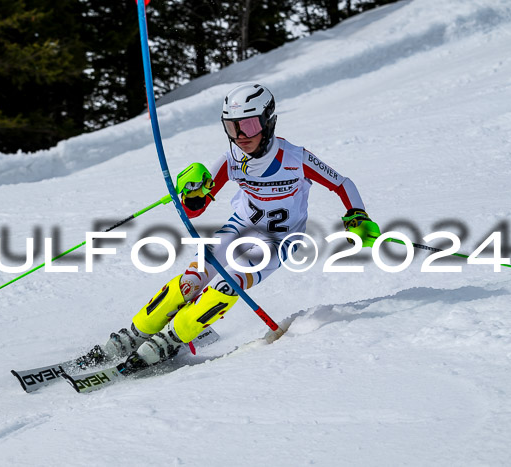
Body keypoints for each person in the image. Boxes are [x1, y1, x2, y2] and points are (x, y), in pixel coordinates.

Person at [77, 83, 380, 373]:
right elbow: (196, 207)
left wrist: (357, 215)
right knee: (191, 281)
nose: (240, 136)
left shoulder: (295, 158)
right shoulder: (231, 158)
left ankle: (173, 339)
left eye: (248, 126)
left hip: (279, 240)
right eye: (232, 127)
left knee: (230, 282)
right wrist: (191, 191)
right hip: (241, 226)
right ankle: (133, 334)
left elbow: (342, 183)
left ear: (268, 122)